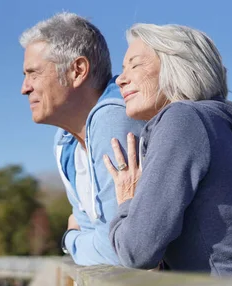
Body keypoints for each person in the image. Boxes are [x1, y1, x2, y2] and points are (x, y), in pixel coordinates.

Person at [103, 23, 232, 279]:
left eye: (135, 65)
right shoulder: (205, 121)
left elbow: (136, 251)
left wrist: (127, 199)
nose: (120, 79)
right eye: (122, 69)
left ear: (178, 66)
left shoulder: (183, 118)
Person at [20, 13, 145, 266]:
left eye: (33, 74)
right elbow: (97, 234)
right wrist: (84, 238)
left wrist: (69, 240)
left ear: (77, 70)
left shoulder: (113, 115)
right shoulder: (64, 142)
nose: (25, 87)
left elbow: (117, 252)